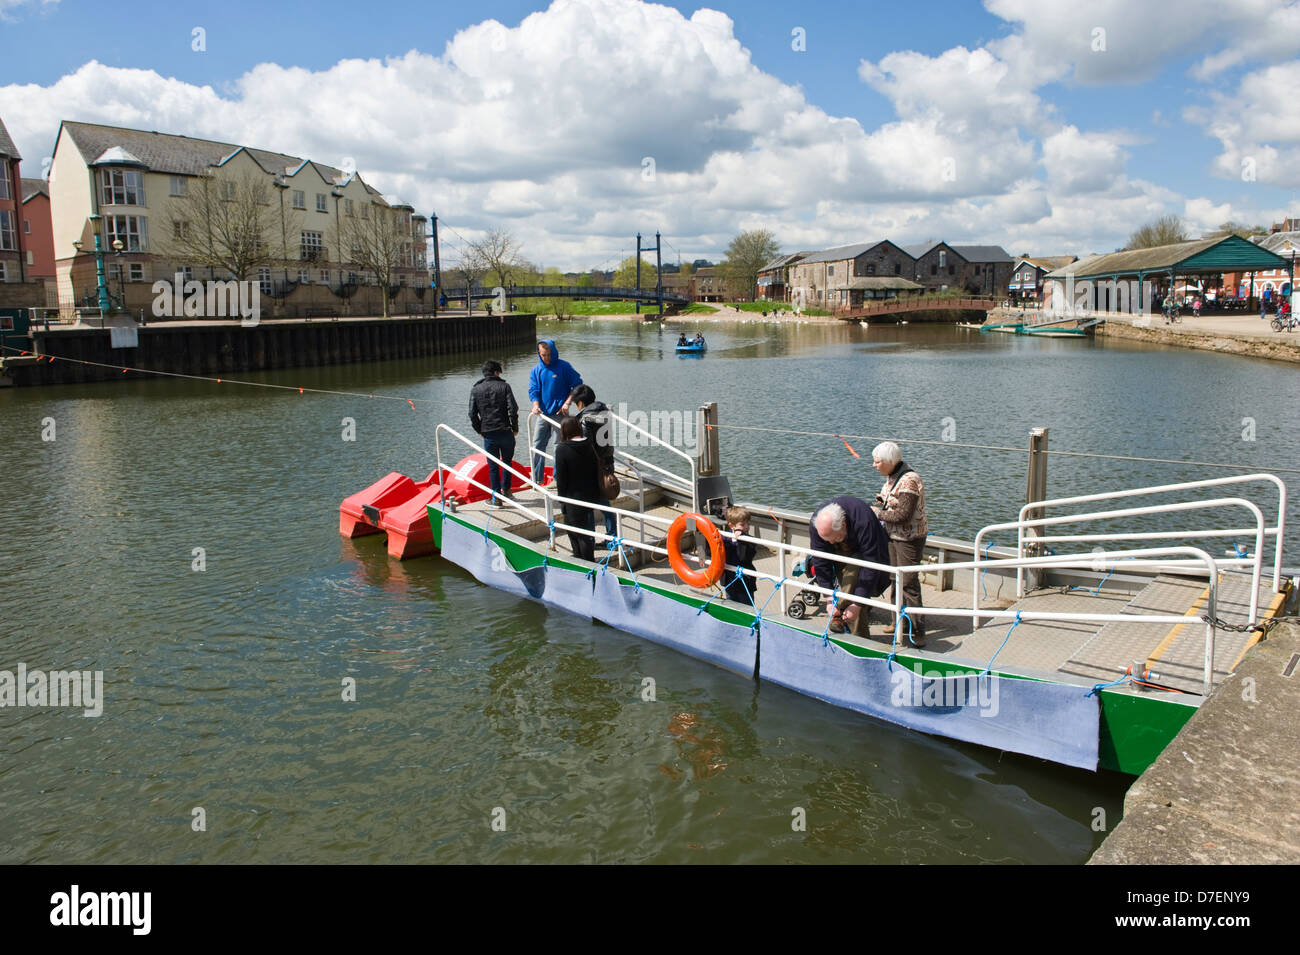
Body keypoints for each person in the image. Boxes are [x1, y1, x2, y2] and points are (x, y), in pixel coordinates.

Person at [870, 442, 929, 647]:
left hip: (909, 538)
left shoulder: (909, 480)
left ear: (889, 461)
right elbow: (896, 504)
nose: (874, 465)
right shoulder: (893, 475)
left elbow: (904, 515)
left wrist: (879, 514)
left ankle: (918, 630)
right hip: (892, 535)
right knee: (895, 578)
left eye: (877, 462)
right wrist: (883, 502)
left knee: (909, 583)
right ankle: (897, 621)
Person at [807, 497, 891, 637]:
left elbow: (871, 564)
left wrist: (857, 604)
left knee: (855, 589)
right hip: (841, 546)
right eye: (827, 540)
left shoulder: (864, 520)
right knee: (851, 591)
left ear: (844, 524)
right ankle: (846, 620)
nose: (831, 542)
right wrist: (828, 598)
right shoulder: (817, 526)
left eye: (834, 538)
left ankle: (858, 636)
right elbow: (821, 563)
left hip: (864, 549)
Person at [527, 339, 583, 485]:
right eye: (543, 355)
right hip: (543, 414)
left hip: (560, 415)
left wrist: (567, 402)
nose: (547, 358)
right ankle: (536, 478)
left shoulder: (564, 367)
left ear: (554, 352)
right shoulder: (536, 370)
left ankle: (557, 479)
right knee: (537, 444)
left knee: (559, 445)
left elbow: (578, 385)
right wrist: (535, 405)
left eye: (549, 354)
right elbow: (534, 390)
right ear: (539, 353)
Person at [571, 384, 618, 544]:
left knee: (588, 505)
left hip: (592, 467)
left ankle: (590, 539)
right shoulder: (605, 412)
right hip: (607, 462)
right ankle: (612, 537)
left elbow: (586, 446)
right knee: (605, 502)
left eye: (575, 404)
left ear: (581, 403)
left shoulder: (585, 420)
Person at [468, 359, 519, 503]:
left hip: (489, 433)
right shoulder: (504, 386)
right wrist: (514, 427)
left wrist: (480, 430)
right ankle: (507, 491)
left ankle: (496, 497)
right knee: (507, 462)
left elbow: (472, 414)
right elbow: (513, 409)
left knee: (493, 467)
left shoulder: (476, 389)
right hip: (506, 431)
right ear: (496, 372)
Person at [553, 416, 601, 561]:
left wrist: (562, 500)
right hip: (590, 494)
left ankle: (587, 562)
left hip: (573, 497)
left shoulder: (562, 449)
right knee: (579, 529)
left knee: (579, 534)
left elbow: (561, 479)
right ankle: (579, 557)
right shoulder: (589, 444)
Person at [722, 506, 758, 606]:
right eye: (742, 524)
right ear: (731, 526)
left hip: (745, 581)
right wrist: (732, 540)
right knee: (731, 605)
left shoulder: (750, 540)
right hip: (730, 580)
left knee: (747, 606)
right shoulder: (725, 538)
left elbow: (744, 557)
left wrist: (741, 539)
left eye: (748, 523)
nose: (747, 527)